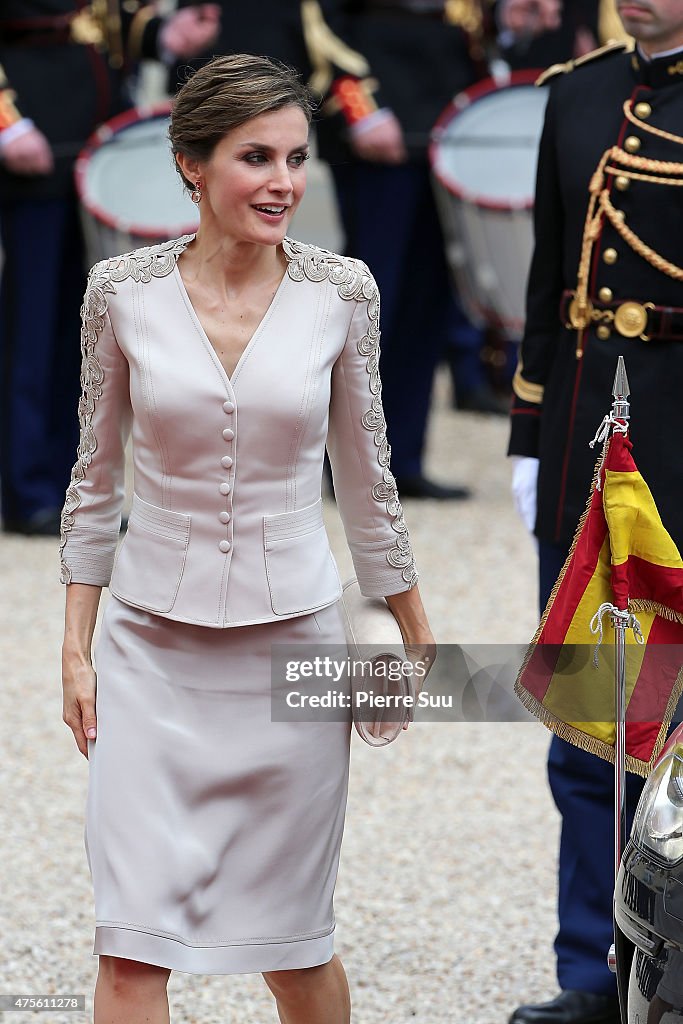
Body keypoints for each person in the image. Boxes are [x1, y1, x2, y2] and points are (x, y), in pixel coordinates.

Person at [59, 53, 435, 1023]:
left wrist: (411, 632)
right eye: (253, 157)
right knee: (133, 946)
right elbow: (95, 484)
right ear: (191, 164)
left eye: (296, 158)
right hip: (148, 653)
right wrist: (75, 649)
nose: (281, 183)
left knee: (293, 947)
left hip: (295, 658)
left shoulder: (342, 293)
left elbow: (368, 482)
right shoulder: (120, 292)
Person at [508, 1, 683, 1021]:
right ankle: (591, 968)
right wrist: (530, 440)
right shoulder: (573, 94)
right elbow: (545, 283)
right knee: (588, 725)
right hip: (591, 447)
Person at [299, 0, 561, 500]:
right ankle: (346, 461)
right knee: (372, 299)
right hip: (380, 109)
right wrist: (360, 107)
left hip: (448, 108)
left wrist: (502, 22)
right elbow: (318, 19)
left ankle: (400, 459)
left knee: (431, 297)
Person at [0, 0, 219, 536]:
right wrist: (4, 122)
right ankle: (26, 486)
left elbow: (111, 19)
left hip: (98, 130)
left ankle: (70, 483)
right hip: (32, 127)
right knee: (33, 322)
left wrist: (165, 35)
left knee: (93, 325)